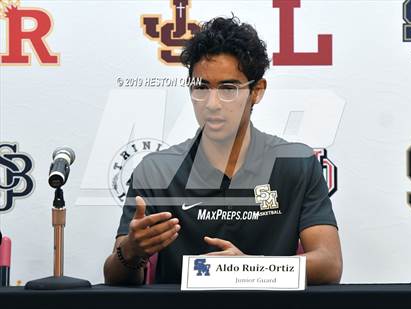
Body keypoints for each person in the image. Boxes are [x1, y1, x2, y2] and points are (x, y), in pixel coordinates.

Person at [104, 15, 342, 285]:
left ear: (257, 91)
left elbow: (329, 263)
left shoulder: (296, 163)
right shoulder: (156, 171)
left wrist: (248, 270)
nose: (212, 103)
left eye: (228, 89)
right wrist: (132, 251)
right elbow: (115, 277)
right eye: (201, 88)